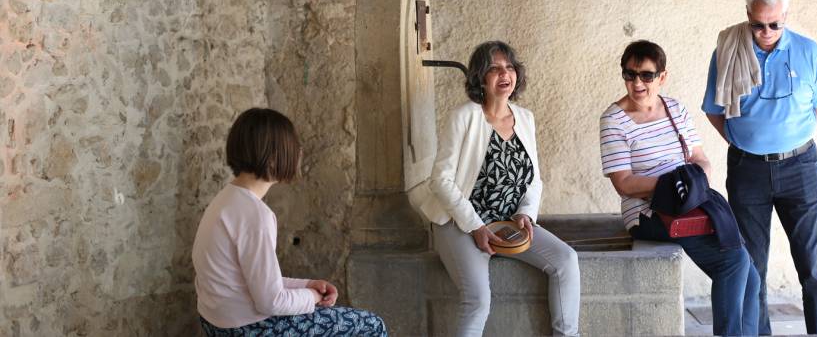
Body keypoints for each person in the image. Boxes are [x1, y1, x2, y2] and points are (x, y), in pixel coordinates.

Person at [415, 41, 580, 337]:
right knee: (477, 300)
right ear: (480, 77)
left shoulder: (525, 118)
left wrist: (525, 214)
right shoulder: (464, 117)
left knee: (566, 260)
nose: (504, 74)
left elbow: (533, 179)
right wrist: (476, 226)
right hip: (459, 223)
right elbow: (440, 179)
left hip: (507, 222)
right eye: (494, 68)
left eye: (509, 67)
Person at [702, 0, 817, 335]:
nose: (766, 32)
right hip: (748, 170)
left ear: (786, 17)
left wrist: (797, 139)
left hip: (799, 167)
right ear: (748, 15)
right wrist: (737, 139)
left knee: (814, 267)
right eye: (758, 24)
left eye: (774, 24)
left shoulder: (809, 51)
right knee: (752, 268)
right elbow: (714, 109)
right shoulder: (728, 51)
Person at [600, 40, 759, 337]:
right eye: (630, 74)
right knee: (734, 261)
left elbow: (699, 159)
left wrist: (698, 181)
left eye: (646, 75)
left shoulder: (674, 108)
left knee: (750, 276)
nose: (637, 83)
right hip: (648, 212)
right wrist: (672, 186)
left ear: (662, 77)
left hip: (691, 201)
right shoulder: (613, 120)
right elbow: (623, 183)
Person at [192, 108, 388, 336]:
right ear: (273, 156)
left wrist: (306, 285)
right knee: (371, 326)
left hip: (218, 324)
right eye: (294, 146)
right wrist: (313, 297)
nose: (299, 153)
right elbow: (271, 302)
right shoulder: (255, 215)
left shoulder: (225, 199)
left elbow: (257, 280)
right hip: (251, 329)